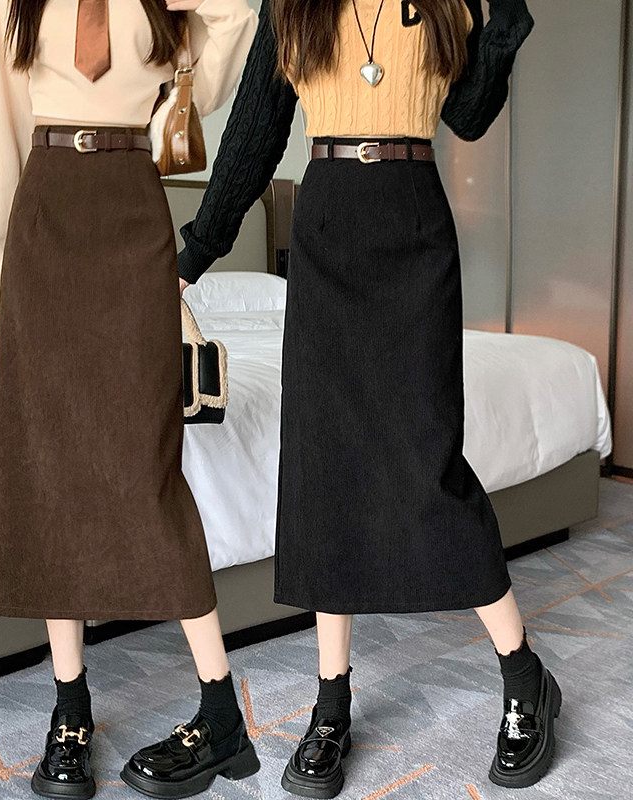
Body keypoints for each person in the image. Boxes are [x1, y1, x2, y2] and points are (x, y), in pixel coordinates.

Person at [175, 0, 557, 795]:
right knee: (330, 468)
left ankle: (524, 674)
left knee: (429, 462)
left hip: (415, 225)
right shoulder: (293, 5)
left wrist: (505, 18)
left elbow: (470, 115)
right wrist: (195, 252)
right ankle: (331, 706)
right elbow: (255, 133)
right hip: (327, 228)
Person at [0, 1, 259, 798]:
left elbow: (223, 54)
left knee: (147, 468)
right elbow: (3, 124)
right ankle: (70, 709)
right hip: (45, 215)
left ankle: (220, 709)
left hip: (134, 207)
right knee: (51, 468)